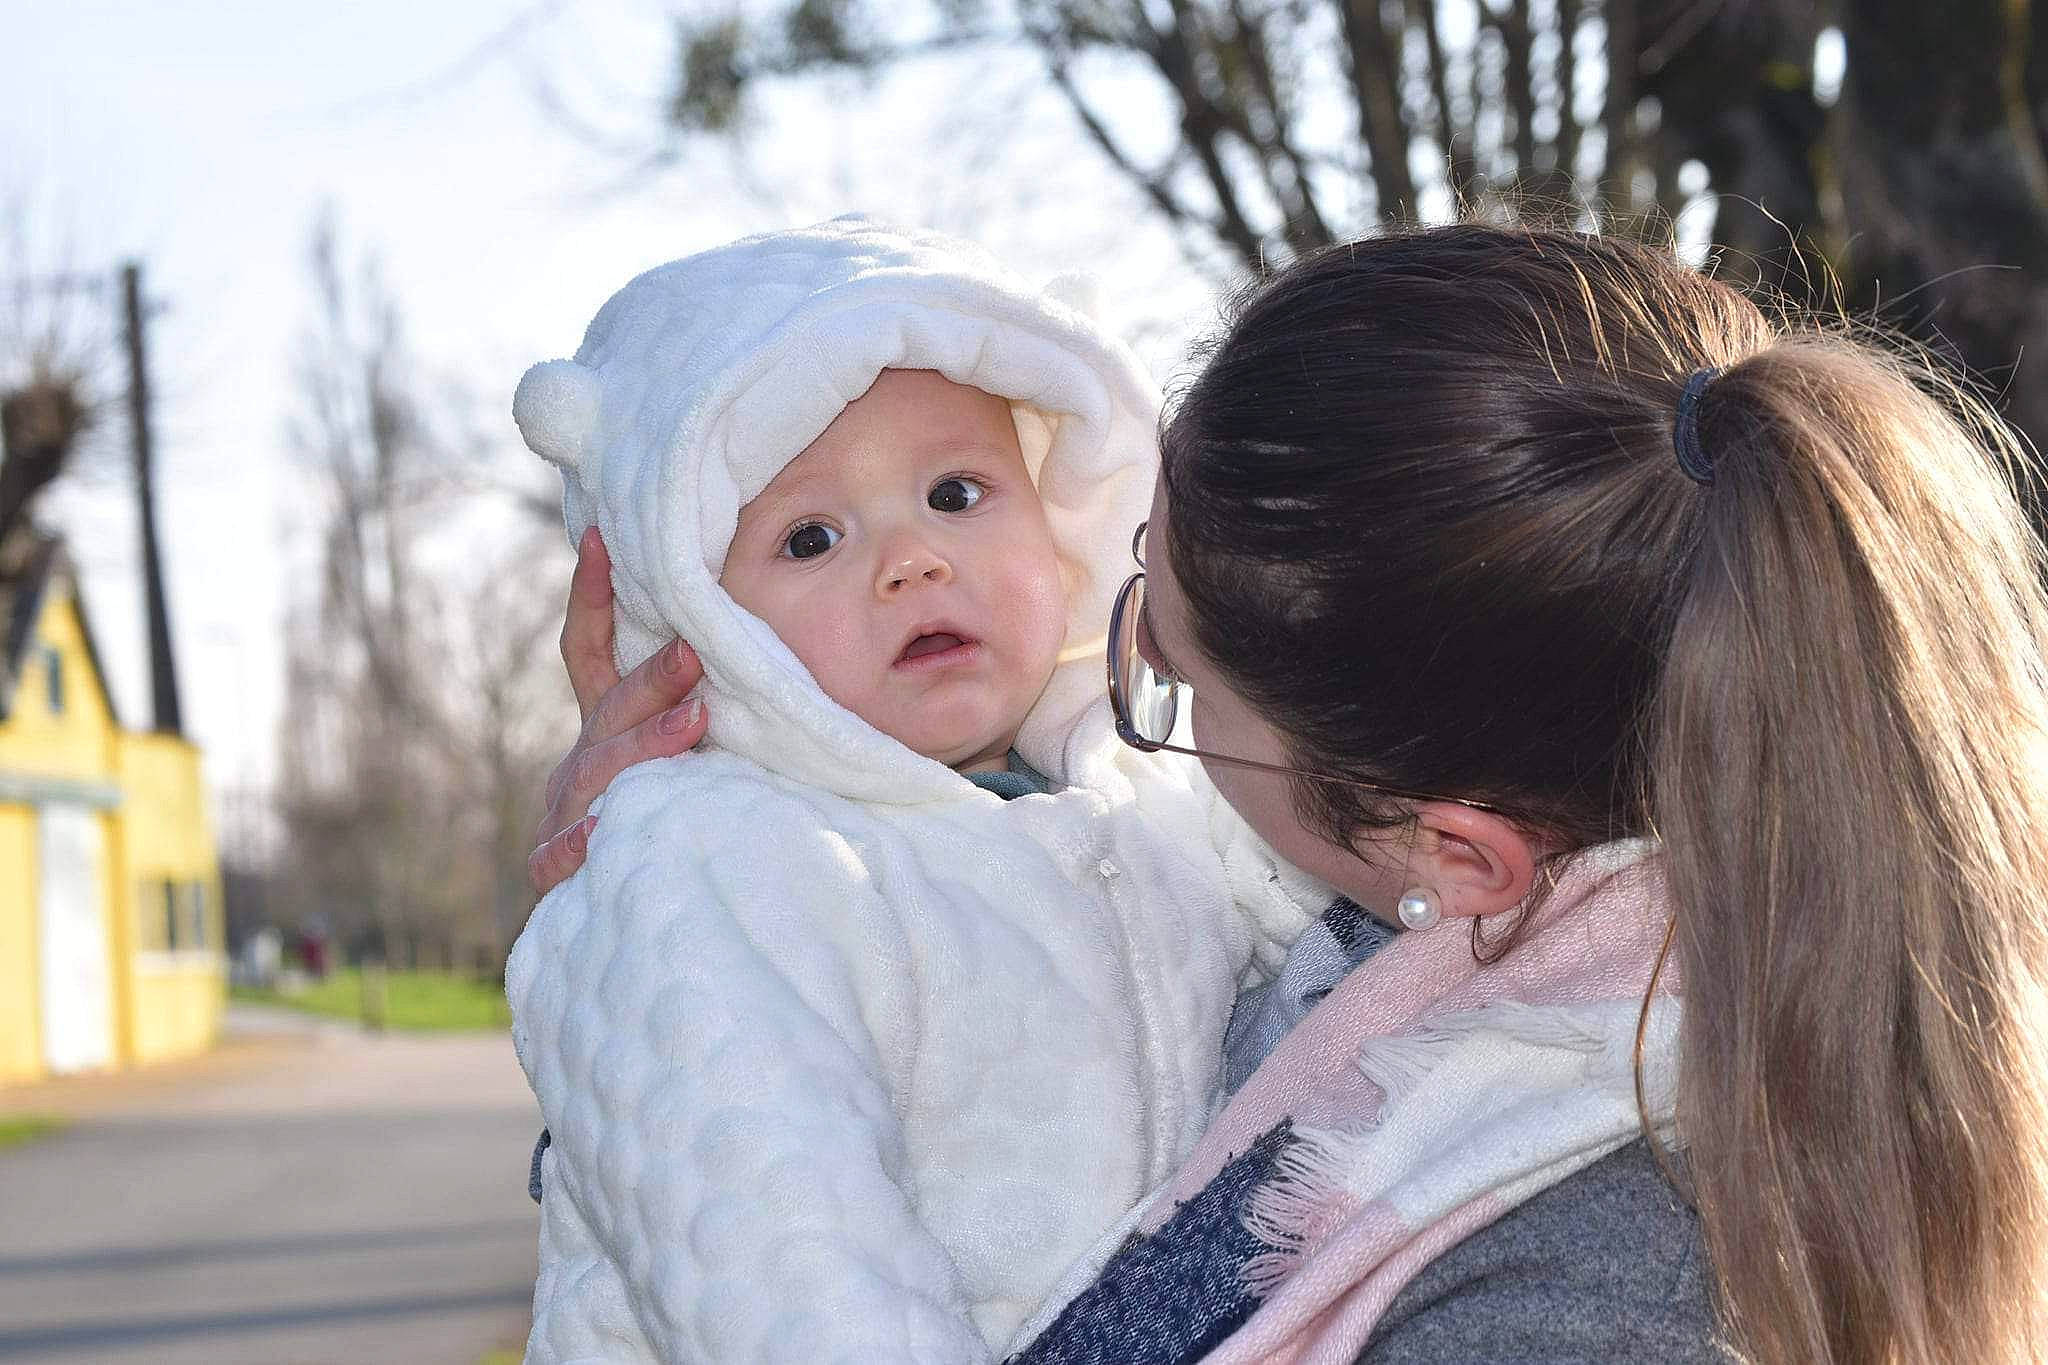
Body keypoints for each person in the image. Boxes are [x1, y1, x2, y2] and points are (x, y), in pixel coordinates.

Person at [532, 222, 2048, 1363]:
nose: (920, 562)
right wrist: (644, 949)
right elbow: (755, 1192)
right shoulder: (1432, 977)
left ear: (1454, 858)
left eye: (1172, 689)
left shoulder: (1567, 1293)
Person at [506, 218, 1337, 1364]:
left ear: (1060, 530)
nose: (912, 559)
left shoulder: (1147, 795)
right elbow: (778, 1264)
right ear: (695, 621)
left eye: (955, 492)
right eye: (810, 538)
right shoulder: (703, 864)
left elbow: (1376, 952)